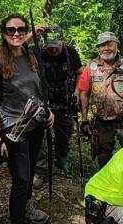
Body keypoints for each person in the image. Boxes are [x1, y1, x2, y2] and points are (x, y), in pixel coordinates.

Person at [0, 14, 54, 224]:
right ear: (3, 32)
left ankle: (26, 205)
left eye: (21, 29)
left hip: (35, 124)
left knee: (31, 170)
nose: (16, 34)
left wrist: (48, 110)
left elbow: (36, 91)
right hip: (13, 127)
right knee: (22, 179)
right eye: (10, 30)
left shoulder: (30, 55)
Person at [79, 31, 123, 168]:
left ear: (117, 45)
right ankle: (106, 186)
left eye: (109, 44)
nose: (106, 48)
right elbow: (84, 94)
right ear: (98, 48)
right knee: (103, 157)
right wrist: (84, 119)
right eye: (102, 45)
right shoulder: (90, 68)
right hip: (101, 122)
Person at [28, 25, 83, 182]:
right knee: (38, 134)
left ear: (62, 41)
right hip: (43, 100)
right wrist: (32, 34)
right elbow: (15, 50)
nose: (52, 50)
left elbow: (80, 73)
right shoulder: (37, 52)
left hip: (65, 101)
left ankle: (61, 162)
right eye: (49, 46)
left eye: (56, 46)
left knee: (64, 134)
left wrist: (77, 92)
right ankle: (39, 169)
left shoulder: (70, 53)